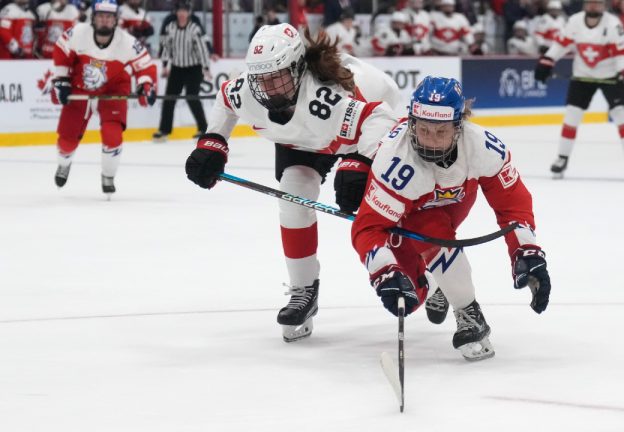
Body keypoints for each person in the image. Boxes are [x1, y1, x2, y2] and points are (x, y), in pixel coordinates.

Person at [184, 24, 400, 343]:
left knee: (393, 204)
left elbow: (378, 116)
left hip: (362, 129)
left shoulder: (329, 97)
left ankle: (433, 274)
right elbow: (226, 99)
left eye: (275, 78)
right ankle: (303, 291)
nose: (267, 89)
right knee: (292, 199)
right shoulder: (250, 89)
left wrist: (362, 161)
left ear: (298, 68)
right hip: (304, 141)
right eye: (261, 79)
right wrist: (214, 141)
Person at [350, 77, 551, 361]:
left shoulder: (482, 146)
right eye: (423, 129)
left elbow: (512, 203)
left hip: (454, 200)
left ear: (458, 127)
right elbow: (369, 228)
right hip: (402, 205)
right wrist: (384, 271)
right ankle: (434, 284)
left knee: (430, 226)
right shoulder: (395, 161)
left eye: (441, 131)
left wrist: (525, 250)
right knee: (410, 298)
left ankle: (470, 314)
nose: (431, 141)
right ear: (411, 123)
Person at [50, 0, 157, 195]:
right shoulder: (78, 33)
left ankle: (108, 175)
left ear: (116, 20)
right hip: (81, 85)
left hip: (113, 88)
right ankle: (64, 163)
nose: (105, 21)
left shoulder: (126, 41)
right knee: (67, 138)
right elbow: (61, 49)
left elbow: (145, 64)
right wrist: (62, 79)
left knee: (113, 135)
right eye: (101, 17)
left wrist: (146, 84)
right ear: (93, 18)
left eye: (109, 17)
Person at [534, 0, 624, 180]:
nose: (593, 6)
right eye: (590, 3)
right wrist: (548, 60)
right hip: (583, 76)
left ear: (603, 6)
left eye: (597, 3)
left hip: (610, 76)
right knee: (572, 115)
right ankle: (562, 158)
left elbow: (623, 52)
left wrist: (623, 71)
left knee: (621, 115)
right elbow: (561, 44)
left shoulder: (614, 24)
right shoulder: (574, 21)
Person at [153, 0, 211, 142]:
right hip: (177, 68)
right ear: (176, 12)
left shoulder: (194, 29)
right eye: (180, 11)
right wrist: (165, 66)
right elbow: (167, 47)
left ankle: (203, 128)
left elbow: (202, 50)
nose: (182, 14)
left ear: (189, 12)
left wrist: (206, 68)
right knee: (169, 98)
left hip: (194, 68)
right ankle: (164, 130)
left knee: (192, 97)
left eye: (185, 11)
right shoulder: (171, 28)